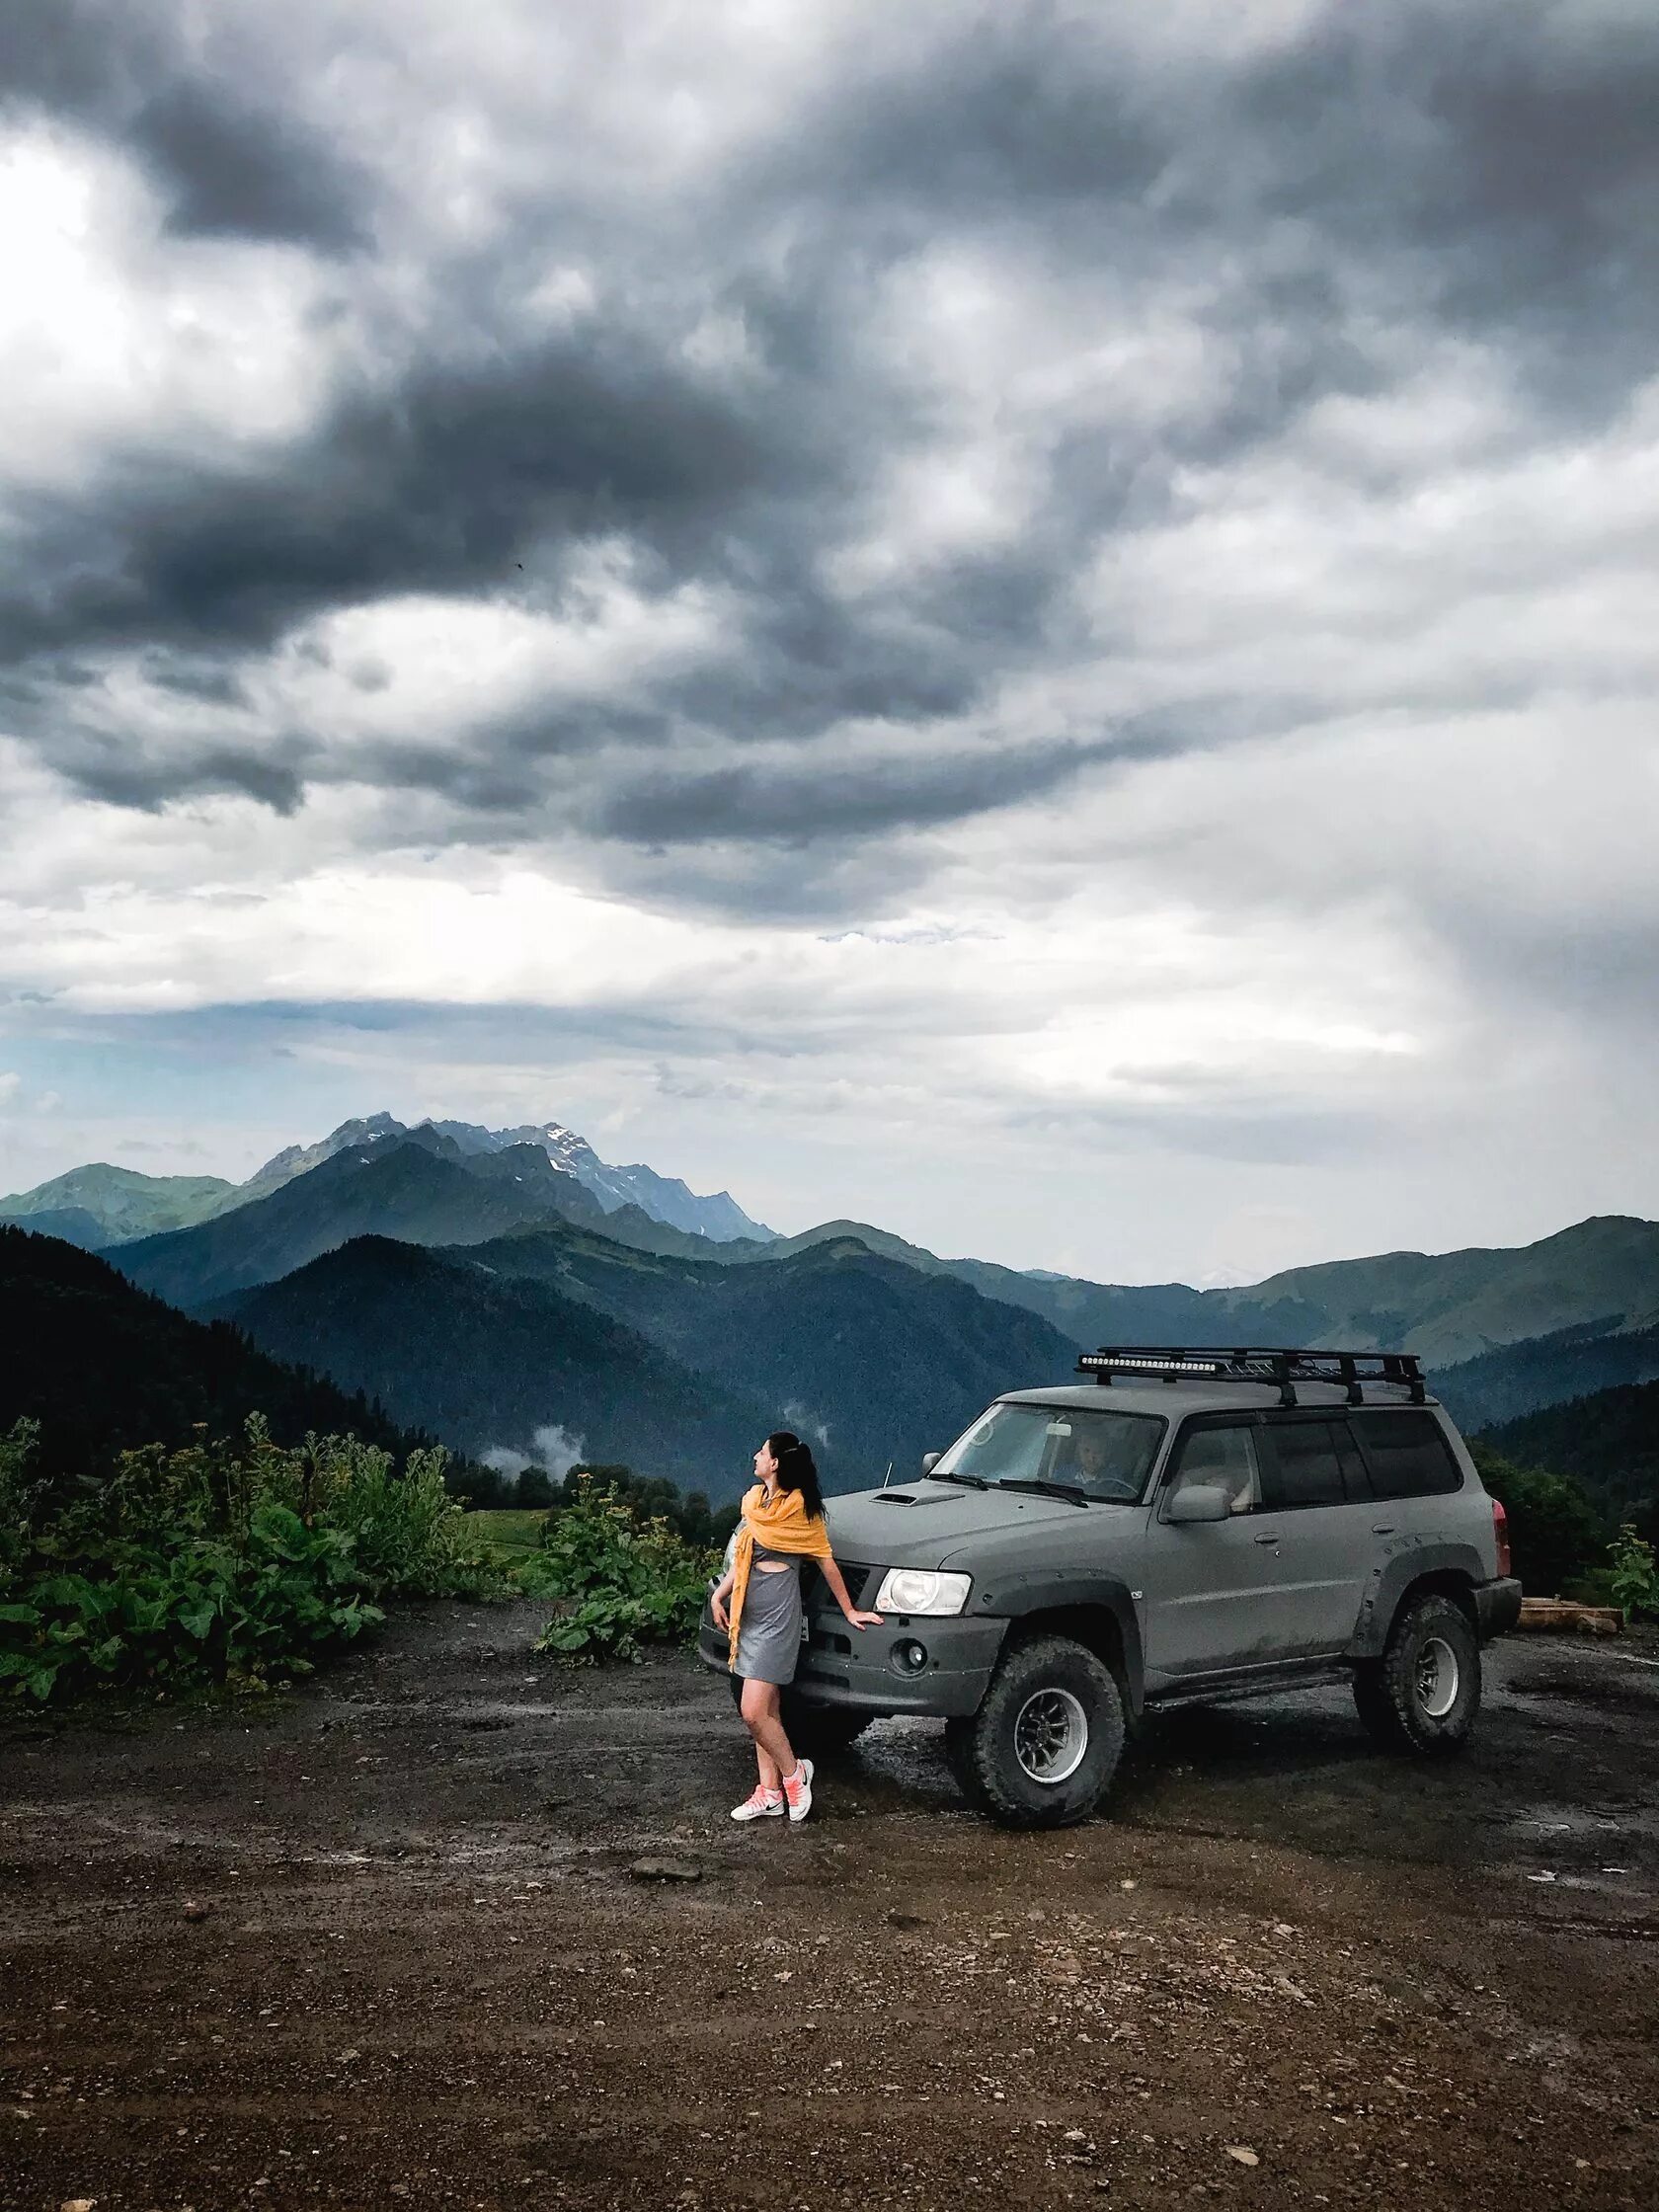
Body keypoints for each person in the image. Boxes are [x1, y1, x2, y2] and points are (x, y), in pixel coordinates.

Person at [710, 1431, 883, 1823]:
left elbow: (826, 1561)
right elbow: (744, 1560)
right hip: (749, 1618)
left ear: (775, 1464)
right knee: (766, 1709)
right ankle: (769, 1792)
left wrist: (851, 1610)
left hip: (777, 1620)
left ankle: (794, 1775)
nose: (754, 1456)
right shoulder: (756, 1505)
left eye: (762, 1452)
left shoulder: (802, 1511)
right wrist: (719, 1596)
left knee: (753, 1710)